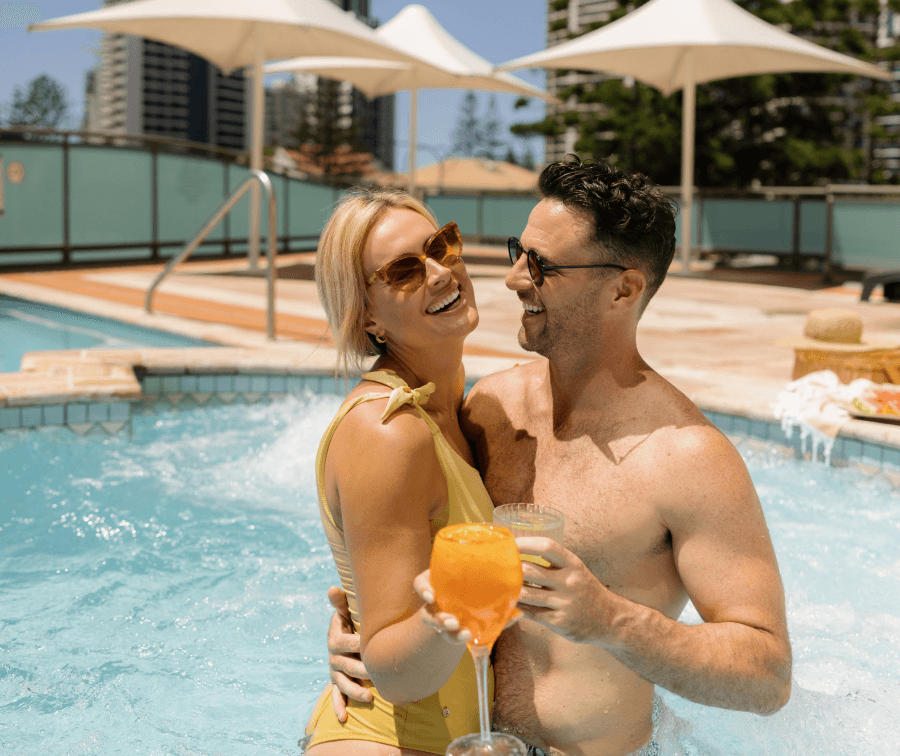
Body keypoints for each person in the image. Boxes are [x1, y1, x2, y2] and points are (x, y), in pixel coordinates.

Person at [324, 157, 792, 756]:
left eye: (542, 265)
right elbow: (397, 536)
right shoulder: (493, 409)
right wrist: (360, 629)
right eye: (521, 251)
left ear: (623, 288)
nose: (514, 278)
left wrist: (610, 620)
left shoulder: (688, 458)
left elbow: (768, 677)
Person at [303, 188, 499, 756]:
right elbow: (392, 667)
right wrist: (446, 613)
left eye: (442, 246)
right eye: (405, 271)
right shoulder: (388, 432)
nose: (440, 272)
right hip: (385, 739)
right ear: (365, 314)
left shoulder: (460, 408)